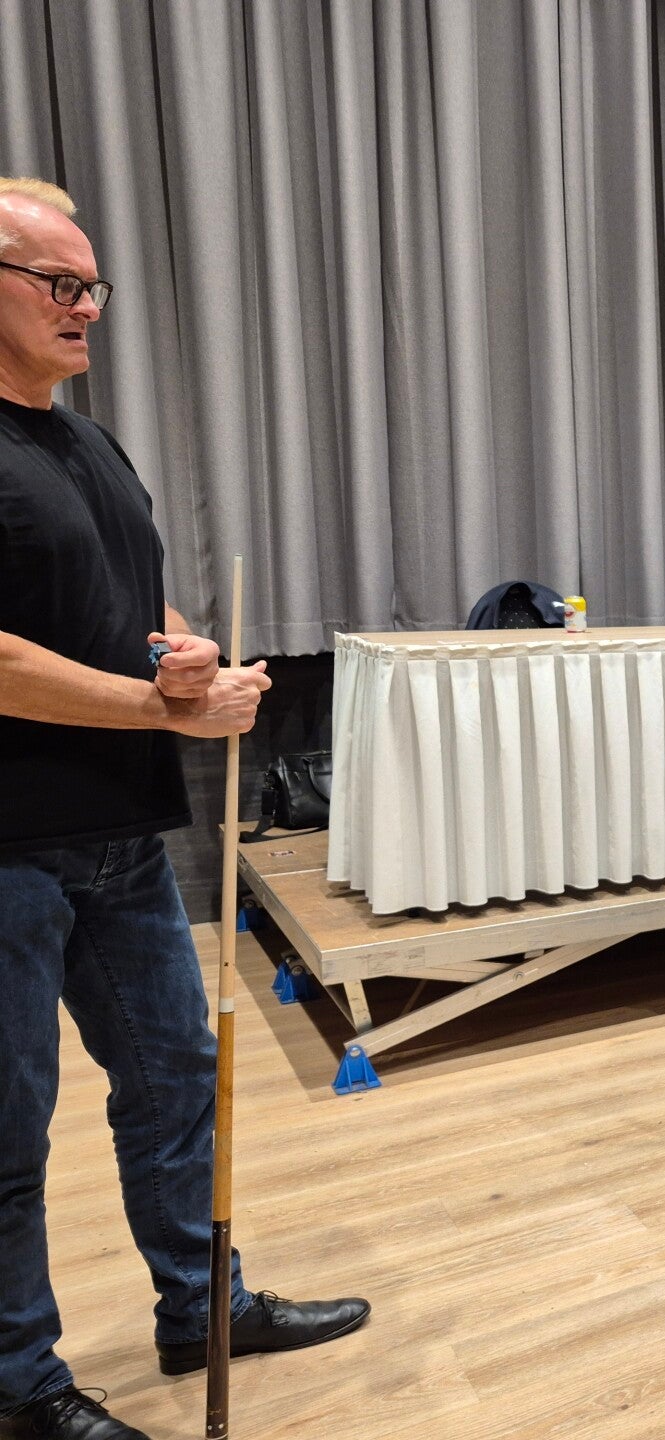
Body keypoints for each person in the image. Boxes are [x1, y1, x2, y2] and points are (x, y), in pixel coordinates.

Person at [0, 179, 368, 1440]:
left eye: (91, 285)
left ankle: (201, 1309)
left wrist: (186, 657)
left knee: (175, 1082)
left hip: (121, 836)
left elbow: (124, 606)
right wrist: (160, 712)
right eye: (60, 283)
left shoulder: (89, 444)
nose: (86, 306)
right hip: (8, 850)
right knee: (8, 1133)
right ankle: (22, 1388)